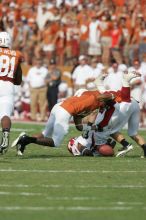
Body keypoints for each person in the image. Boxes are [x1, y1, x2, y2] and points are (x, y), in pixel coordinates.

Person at [11, 70, 139, 156]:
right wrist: (110, 96)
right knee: (55, 142)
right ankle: (27, 139)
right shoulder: (95, 98)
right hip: (65, 111)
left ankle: (24, 141)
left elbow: (78, 126)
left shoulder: (82, 96)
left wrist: (86, 128)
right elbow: (100, 99)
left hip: (58, 106)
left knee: (45, 133)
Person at [0, 31, 23, 154]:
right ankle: (5, 137)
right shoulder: (16, 54)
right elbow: (18, 80)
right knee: (5, 116)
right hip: (8, 86)